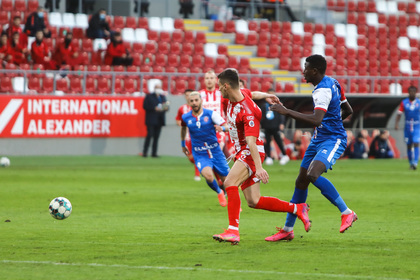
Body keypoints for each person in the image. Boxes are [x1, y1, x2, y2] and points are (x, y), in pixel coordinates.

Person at [212, 68, 311, 245]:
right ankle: (298, 208)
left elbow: (251, 142)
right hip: (243, 151)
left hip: (251, 152)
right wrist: (267, 95)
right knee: (253, 201)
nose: (218, 89)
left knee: (229, 183)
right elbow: (253, 92)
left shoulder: (248, 112)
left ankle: (233, 231)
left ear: (226, 86)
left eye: (219, 86)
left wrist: (258, 168)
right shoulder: (240, 93)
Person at [269, 54, 356, 242]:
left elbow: (316, 119)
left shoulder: (322, 91)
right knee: (301, 181)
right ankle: (287, 229)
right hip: (319, 139)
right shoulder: (332, 82)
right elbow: (348, 110)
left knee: (312, 175)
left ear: (314, 70)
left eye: (306, 67)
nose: (303, 71)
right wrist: (331, 123)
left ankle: (347, 212)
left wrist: (286, 111)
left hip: (333, 140)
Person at [181, 91, 229, 207]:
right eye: (191, 101)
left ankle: (235, 204)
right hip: (200, 153)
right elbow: (183, 129)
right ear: (188, 102)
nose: (194, 103)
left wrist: (222, 128)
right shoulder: (186, 117)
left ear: (201, 100)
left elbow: (227, 126)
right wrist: (183, 144)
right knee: (208, 175)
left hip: (215, 151)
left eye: (196, 100)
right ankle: (219, 192)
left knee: (228, 181)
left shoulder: (211, 114)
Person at [176, 89, 201, 181]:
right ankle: (202, 166)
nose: (188, 97)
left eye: (189, 95)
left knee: (197, 154)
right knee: (190, 157)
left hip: (196, 135)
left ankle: (197, 174)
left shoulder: (198, 108)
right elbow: (178, 119)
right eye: (186, 95)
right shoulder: (182, 108)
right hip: (186, 136)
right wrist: (181, 124)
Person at [260, 88, 288, 165]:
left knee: (278, 141)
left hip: (275, 126)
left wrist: (282, 123)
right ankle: (268, 157)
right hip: (267, 126)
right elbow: (261, 116)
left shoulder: (278, 104)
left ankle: (284, 155)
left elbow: (282, 115)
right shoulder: (264, 105)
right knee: (267, 142)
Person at [142, 80, 169, 158]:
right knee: (149, 135)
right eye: (157, 87)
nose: (158, 89)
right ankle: (145, 152)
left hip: (160, 119)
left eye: (159, 87)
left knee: (156, 137)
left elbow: (166, 105)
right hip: (151, 119)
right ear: (154, 88)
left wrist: (166, 108)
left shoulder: (163, 97)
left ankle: (154, 153)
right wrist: (154, 108)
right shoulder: (149, 96)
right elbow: (145, 106)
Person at [395, 85, 420, 170]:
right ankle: (411, 163)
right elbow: (399, 113)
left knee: (416, 143)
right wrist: (396, 124)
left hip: (417, 126)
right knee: (409, 145)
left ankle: (415, 163)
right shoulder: (404, 102)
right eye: (410, 91)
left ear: (416, 92)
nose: (412, 93)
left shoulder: (419, 102)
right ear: (408, 92)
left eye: (413, 91)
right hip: (408, 126)